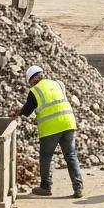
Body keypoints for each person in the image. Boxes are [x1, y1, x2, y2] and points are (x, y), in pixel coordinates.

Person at [9, 65, 83, 199]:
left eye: (30, 82)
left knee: (46, 156)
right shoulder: (57, 84)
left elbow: (27, 111)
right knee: (71, 155)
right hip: (68, 123)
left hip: (51, 128)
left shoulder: (35, 91)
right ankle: (78, 187)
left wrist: (17, 111)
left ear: (32, 80)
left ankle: (46, 186)